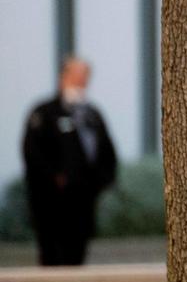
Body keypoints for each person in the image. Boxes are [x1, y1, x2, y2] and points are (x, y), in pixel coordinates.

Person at [22, 56, 117, 266]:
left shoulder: (92, 115)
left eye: (85, 77)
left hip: (83, 199)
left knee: (77, 253)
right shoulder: (44, 113)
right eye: (77, 76)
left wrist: (102, 181)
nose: (82, 82)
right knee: (53, 255)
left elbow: (107, 150)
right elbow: (32, 152)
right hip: (51, 201)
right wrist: (55, 178)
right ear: (63, 77)